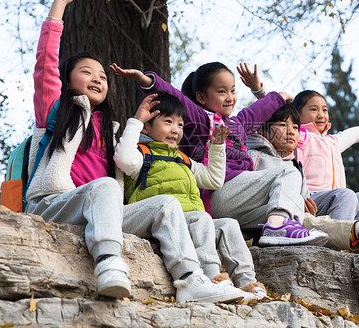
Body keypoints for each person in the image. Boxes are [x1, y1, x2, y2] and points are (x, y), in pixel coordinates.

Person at [26, 0, 244, 303]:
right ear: (67, 80)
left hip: (106, 208)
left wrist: (139, 122)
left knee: (166, 204)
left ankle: (190, 280)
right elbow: (45, 66)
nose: (97, 78)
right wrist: (59, 6)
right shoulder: (57, 115)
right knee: (105, 187)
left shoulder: (115, 131)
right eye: (87, 72)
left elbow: (134, 160)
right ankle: (110, 264)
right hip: (56, 203)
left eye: (102, 75)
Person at [110, 62, 328, 247]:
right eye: (221, 91)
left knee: (293, 204)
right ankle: (278, 229)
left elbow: (260, 110)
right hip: (220, 191)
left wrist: (279, 97)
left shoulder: (239, 124)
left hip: (238, 202)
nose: (230, 97)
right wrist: (149, 81)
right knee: (287, 172)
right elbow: (175, 95)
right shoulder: (200, 120)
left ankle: (271, 234)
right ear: (202, 97)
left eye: (233, 91)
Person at [239, 64, 359, 253]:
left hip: (334, 201)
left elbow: (355, 133)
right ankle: (338, 245)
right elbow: (272, 110)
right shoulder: (299, 137)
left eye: (325, 110)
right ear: (296, 115)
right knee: (346, 194)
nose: (321, 114)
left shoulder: (333, 141)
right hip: (310, 198)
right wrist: (258, 89)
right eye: (313, 109)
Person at [114, 91, 266, 301]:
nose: (175, 130)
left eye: (180, 125)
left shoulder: (182, 159)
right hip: (162, 221)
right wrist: (136, 122)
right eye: (168, 122)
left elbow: (213, 180)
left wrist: (217, 147)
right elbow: (122, 159)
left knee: (228, 225)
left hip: (192, 224)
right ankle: (213, 278)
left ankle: (247, 282)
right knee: (201, 217)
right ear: (147, 126)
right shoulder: (141, 154)